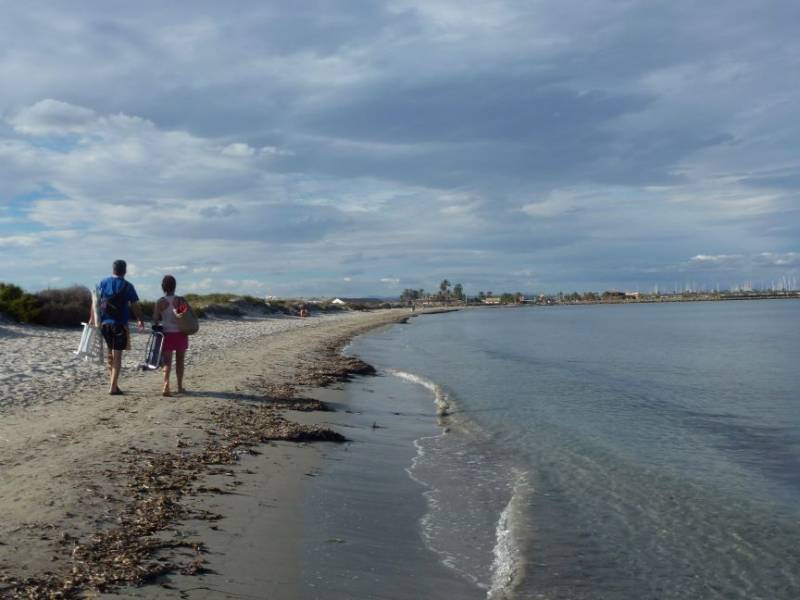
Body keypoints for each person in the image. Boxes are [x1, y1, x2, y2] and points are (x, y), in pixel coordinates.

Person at [92, 259, 144, 395]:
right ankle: (113, 387)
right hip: (119, 324)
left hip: (104, 324)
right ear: (125, 271)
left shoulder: (103, 283)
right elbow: (135, 305)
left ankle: (113, 384)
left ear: (113, 269)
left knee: (110, 355)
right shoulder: (128, 286)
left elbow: (95, 302)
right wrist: (140, 319)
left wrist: (92, 319)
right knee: (117, 357)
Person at [152, 274, 189, 397]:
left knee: (167, 362)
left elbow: (155, 320)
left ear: (163, 287)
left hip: (166, 334)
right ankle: (179, 386)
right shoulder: (180, 300)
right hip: (180, 333)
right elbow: (185, 316)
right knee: (180, 361)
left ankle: (166, 385)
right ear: (175, 286)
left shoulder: (160, 302)